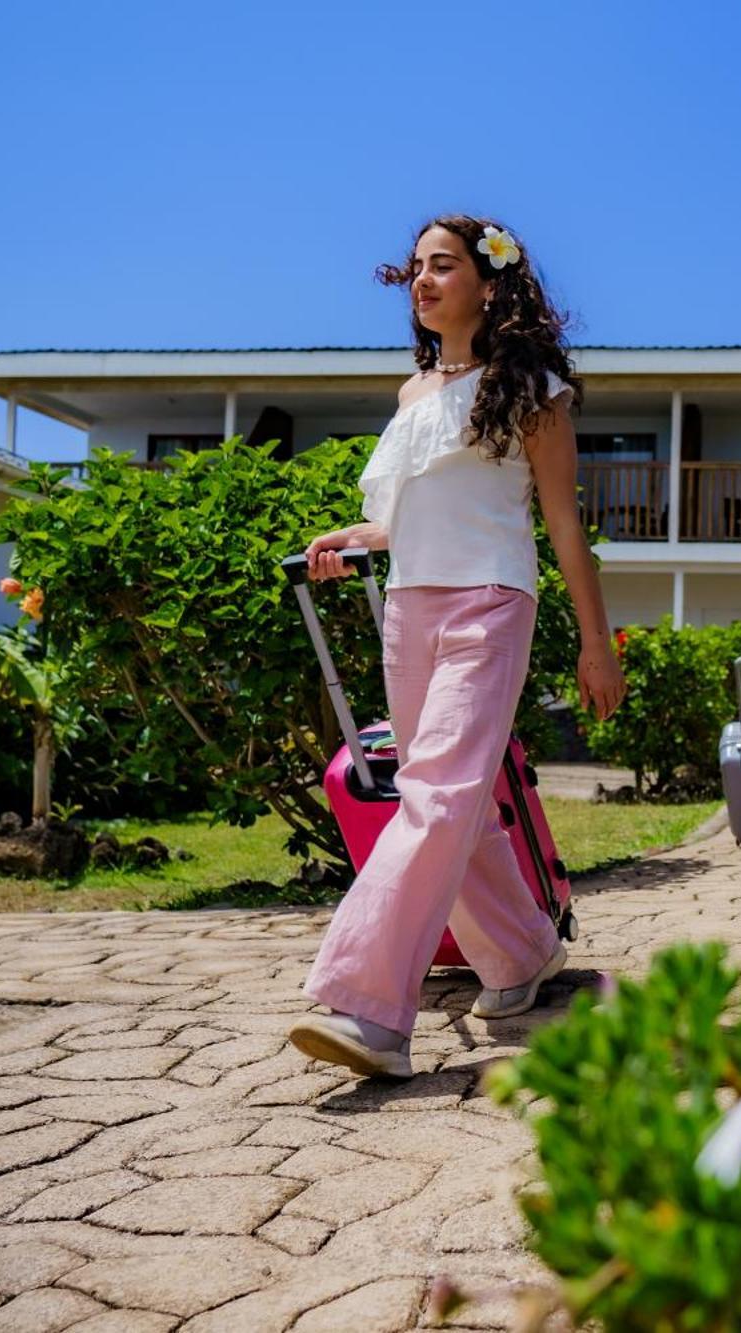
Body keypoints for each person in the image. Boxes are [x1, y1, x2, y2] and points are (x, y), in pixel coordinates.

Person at [287, 215, 625, 1079]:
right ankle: (520, 955)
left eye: (444, 266)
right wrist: (350, 537)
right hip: (409, 608)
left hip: (490, 600)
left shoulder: (531, 385)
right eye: (416, 269)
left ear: (488, 281)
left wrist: (597, 644)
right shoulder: (413, 394)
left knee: (434, 793)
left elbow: (561, 521)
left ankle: (368, 1008)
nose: (423, 281)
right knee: (456, 808)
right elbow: (400, 520)